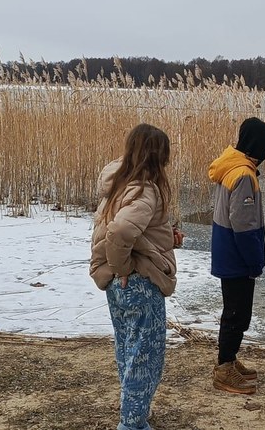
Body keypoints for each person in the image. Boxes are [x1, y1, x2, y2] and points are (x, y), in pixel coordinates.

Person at [90, 123, 180, 430]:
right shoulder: (145, 189)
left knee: (129, 351)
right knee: (145, 358)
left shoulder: (119, 183)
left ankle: (136, 417)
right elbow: (121, 230)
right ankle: (131, 424)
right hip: (137, 283)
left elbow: (123, 229)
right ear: (158, 157)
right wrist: (123, 268)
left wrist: (165, 237)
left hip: (118, 287)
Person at [207, 116, 265, 394]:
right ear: (257, 147)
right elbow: (244, 225)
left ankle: (229, 360)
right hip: (236, 256)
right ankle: (224, 369)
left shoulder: (232, 167)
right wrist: (254, 260)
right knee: (237, 314)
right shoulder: (243, 175)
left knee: (235, 311)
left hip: (227, 252)